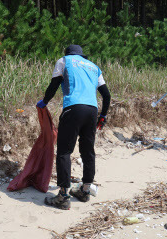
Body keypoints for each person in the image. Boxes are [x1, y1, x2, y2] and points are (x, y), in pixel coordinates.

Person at [36, 44, 111, 210]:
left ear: (68, 53)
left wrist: (44, 102)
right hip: (92, 111)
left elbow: (54, 84)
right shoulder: (93, 67)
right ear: (81, 55)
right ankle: (85, 191)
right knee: (87, 151)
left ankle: (63, 196)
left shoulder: (64, 61)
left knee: (64, 151)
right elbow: (106, 95)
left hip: (73, 109)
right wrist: (103, 116)